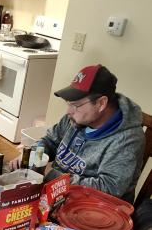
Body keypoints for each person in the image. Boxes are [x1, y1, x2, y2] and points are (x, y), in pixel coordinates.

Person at [12, 64, 145, 202]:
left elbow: (109, 188)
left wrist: (52, 175)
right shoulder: (75, 118)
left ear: (101, 103)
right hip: (54, 193)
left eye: (76, 105)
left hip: (93, 206)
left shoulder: (127, 140)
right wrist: (33, 156)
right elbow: (50, 141)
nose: (68, 111)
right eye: (68, 103)